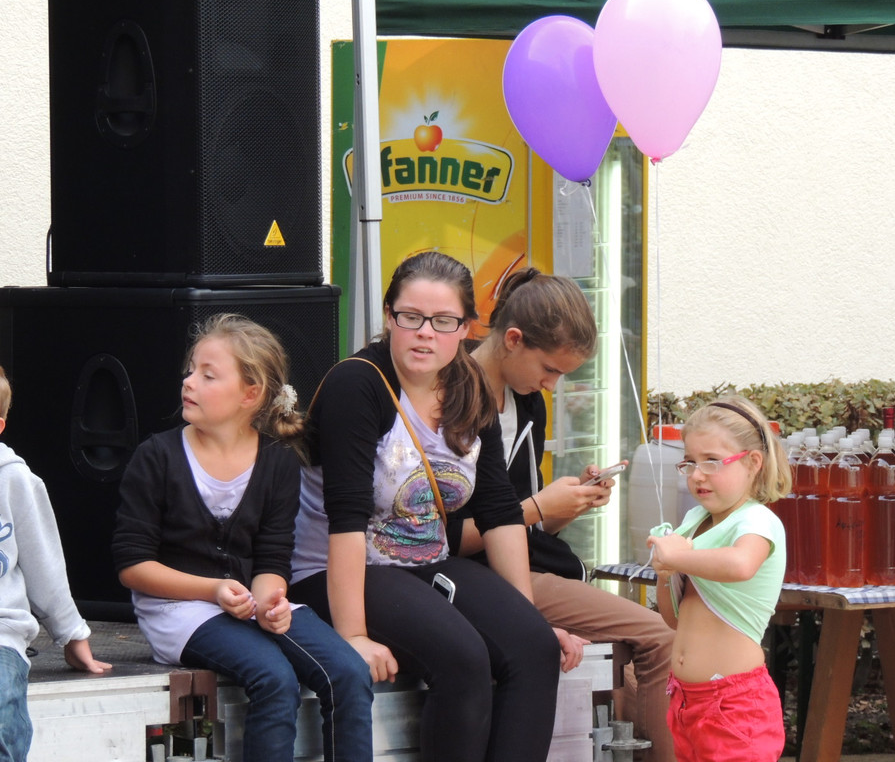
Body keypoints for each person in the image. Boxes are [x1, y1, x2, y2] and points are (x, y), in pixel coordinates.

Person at [289, 251, 566, 762]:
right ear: (389, 316)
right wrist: (353, 636)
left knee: (535, 646)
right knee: (463, 658)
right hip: (334, 570)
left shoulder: (471, 387)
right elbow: (346, 518)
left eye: (443, 321)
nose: (424, 334)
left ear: (466, 327)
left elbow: (500, 511)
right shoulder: (359, 383)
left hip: (425, 564)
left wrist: (523, 616)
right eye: (410, 317)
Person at [111, 314, 372, 762]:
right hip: (178, 608)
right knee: (274, 678)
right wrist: (214, 589)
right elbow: (133, 566)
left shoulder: (278, 462)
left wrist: (271, 604)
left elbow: (272, 559)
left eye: (208, 375)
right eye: (190, 371)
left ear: (250, 394)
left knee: (349, 672)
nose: (189, 382)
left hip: (247, 601)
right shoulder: (157, 456)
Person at [449, 268, 676, 762]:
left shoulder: (527, 402)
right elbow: (443, 536)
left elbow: (524, 523)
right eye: (549, 369)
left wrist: (566, 504)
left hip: (521, 563)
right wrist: (537, 507)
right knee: (657, 636)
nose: (551, 385)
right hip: (475, 572)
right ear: (513, 340)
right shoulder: (454, 394)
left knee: (628, 656)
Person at [646, 397, 789, 762]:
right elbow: (674, 619)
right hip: (686, 700)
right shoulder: (694, 521)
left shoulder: (757, 520)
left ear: (753, 462)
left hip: (734, 704)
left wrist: (677, 556)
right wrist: (665, 574)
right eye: (690, 462)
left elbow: (741, 565)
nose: (697, 475)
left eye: (711, 461)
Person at [0, 366, 112, 762]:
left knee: (1, 712)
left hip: (0, 635)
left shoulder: (14, 480)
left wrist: (71, 634)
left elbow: (43, 564)